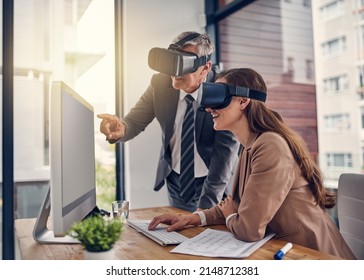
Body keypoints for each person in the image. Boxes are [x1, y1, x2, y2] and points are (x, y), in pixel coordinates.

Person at [148, 68, 356, 259]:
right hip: (284, 252)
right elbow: (235, 205)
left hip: (313, 257)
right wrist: (193, 219)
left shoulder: (270, 145)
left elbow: (248, 229)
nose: (209, 107)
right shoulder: (251, 145)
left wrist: (231, 215)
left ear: (243, 101)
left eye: (218, 97)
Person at [97, 31, 239, 212]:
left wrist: (203, 214)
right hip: (176, 181)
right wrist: (121, 128)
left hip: (214, 185)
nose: (175, 71)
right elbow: (135, 120)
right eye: (172, 61)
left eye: (184, 63)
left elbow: (224, 157)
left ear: (205, 67)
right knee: (178, 237)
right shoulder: (160, 84)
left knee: (209, 237)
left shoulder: (222, 92)